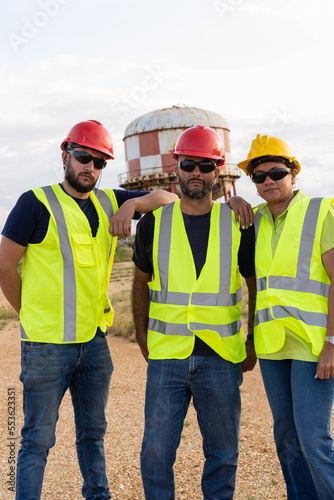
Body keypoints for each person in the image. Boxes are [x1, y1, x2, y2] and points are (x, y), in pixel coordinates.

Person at [0, 119, 178, 500]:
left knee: (93, 433)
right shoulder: (35, 203)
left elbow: (170, 199)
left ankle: (99, 495)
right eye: (84, 158)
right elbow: (4, 265)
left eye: (99, 162)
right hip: (46, 346)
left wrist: (131, 204)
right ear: (65, 155)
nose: (91, 168)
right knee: (36, 440)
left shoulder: (109, 200)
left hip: (94, 344)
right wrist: (28, 313)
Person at [132, 124, 257, 500]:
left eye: (205, 166)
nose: (197, 174)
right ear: (177, 169)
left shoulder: (237, 222)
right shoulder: (154, 223)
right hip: (167, 356)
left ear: (218, 171)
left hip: (220, 356)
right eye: (190, 165)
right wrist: (141, 336)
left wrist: (252, 340)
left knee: (222, 453)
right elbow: (140, 284)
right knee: (155, 453)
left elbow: (255, 285)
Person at [235, 133, 334, 499]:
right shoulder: (252, 221)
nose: (268, 181)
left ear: (294, 174)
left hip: (313, 346)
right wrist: (231, 201)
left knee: (313, 438)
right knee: (287, 437)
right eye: (259, 176)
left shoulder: (321, 211)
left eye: (276, 172)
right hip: (273, 346)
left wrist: (332, 344)